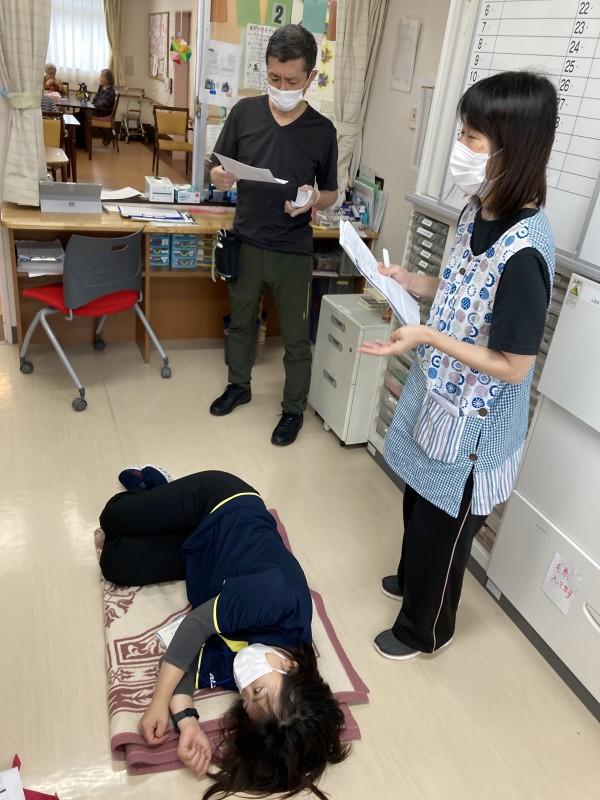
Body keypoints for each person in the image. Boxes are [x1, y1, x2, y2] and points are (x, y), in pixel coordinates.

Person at [358, 71, 557, 661]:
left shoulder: (526, 252)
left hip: (475, 427)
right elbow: (461, 288)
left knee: (442, 532)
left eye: (472, 136)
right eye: (462, 131)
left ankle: (425, 630)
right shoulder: (478, 209)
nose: (459, 147)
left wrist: (427, 336)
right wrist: (409, 281)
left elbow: (514, 365)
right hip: (440, 395)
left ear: (512, 149)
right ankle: (412, 580)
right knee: (417, 505)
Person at [99, 466, 349, 798]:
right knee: (113, 518)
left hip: (203, 554)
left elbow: (186, 660)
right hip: (220, 503)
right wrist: (158, 702)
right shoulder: (276, 596)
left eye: (246, 700)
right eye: (257, 691)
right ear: (291, 667)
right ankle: (158, 486)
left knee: (115, 560)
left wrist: (187, 721)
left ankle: (162, 507)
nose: (243, 688)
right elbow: (194, 626)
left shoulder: (252, 674)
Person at [208, 24, 338, 447]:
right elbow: (217, 166)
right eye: (274, 78)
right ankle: (238, 385)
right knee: (240, 322)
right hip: (246, 239)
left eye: (291, 80)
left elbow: (331, 193)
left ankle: (293, 410)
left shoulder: (322, 131)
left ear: (311, 77)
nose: (281, 88)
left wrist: (314, 199)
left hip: (292, 249)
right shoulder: (244, 113)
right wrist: (219, 176)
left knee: (296, 338)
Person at [76, 68, 116, 147]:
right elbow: (96, 98)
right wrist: (91, 105)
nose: (100, 78)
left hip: (103, 112)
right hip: (97, 109)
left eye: (102, 76)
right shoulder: (101, 87)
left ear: (108, 79)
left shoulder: (111, 92)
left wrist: (92, 107)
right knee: (80, 112)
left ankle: (83, 141)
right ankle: (81, 139)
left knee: (83, 114)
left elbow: (104, 104)